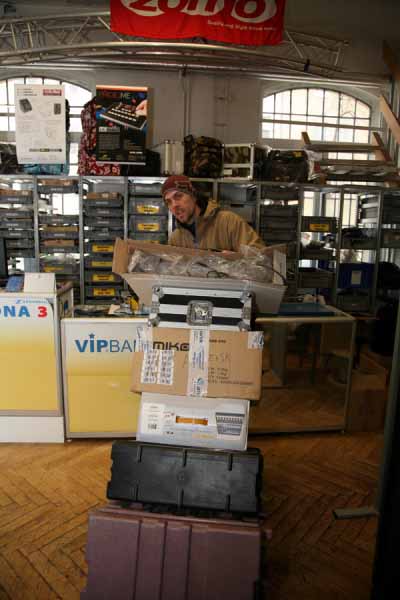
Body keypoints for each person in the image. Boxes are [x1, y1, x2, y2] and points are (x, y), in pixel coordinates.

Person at [161, 174, 265, 252]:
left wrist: (234, 260)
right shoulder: (176, 239)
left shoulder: (229, 222)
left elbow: (260, 257)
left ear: (193, 196)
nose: (174, 205)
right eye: (168, 202)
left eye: (178, 196)